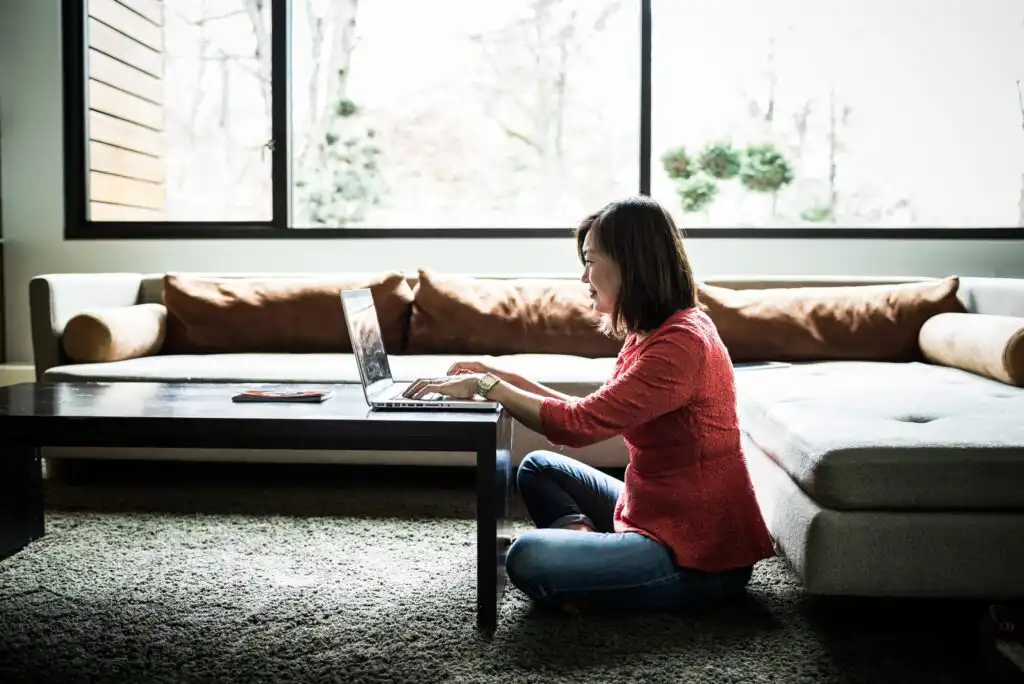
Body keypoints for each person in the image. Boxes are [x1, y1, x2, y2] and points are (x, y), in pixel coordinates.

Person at [404, 196, 775, 614]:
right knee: (539, 467)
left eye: (590, 260)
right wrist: (497, 375)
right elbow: (588, 409)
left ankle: (594, 567)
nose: (584, 277)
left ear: (630, 263)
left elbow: (580, 426)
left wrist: (489, 386)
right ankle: (592, 557)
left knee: (526, 556)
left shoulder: (681, 344)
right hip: (655, 508)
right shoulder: (654, 332)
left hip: (698, 555)